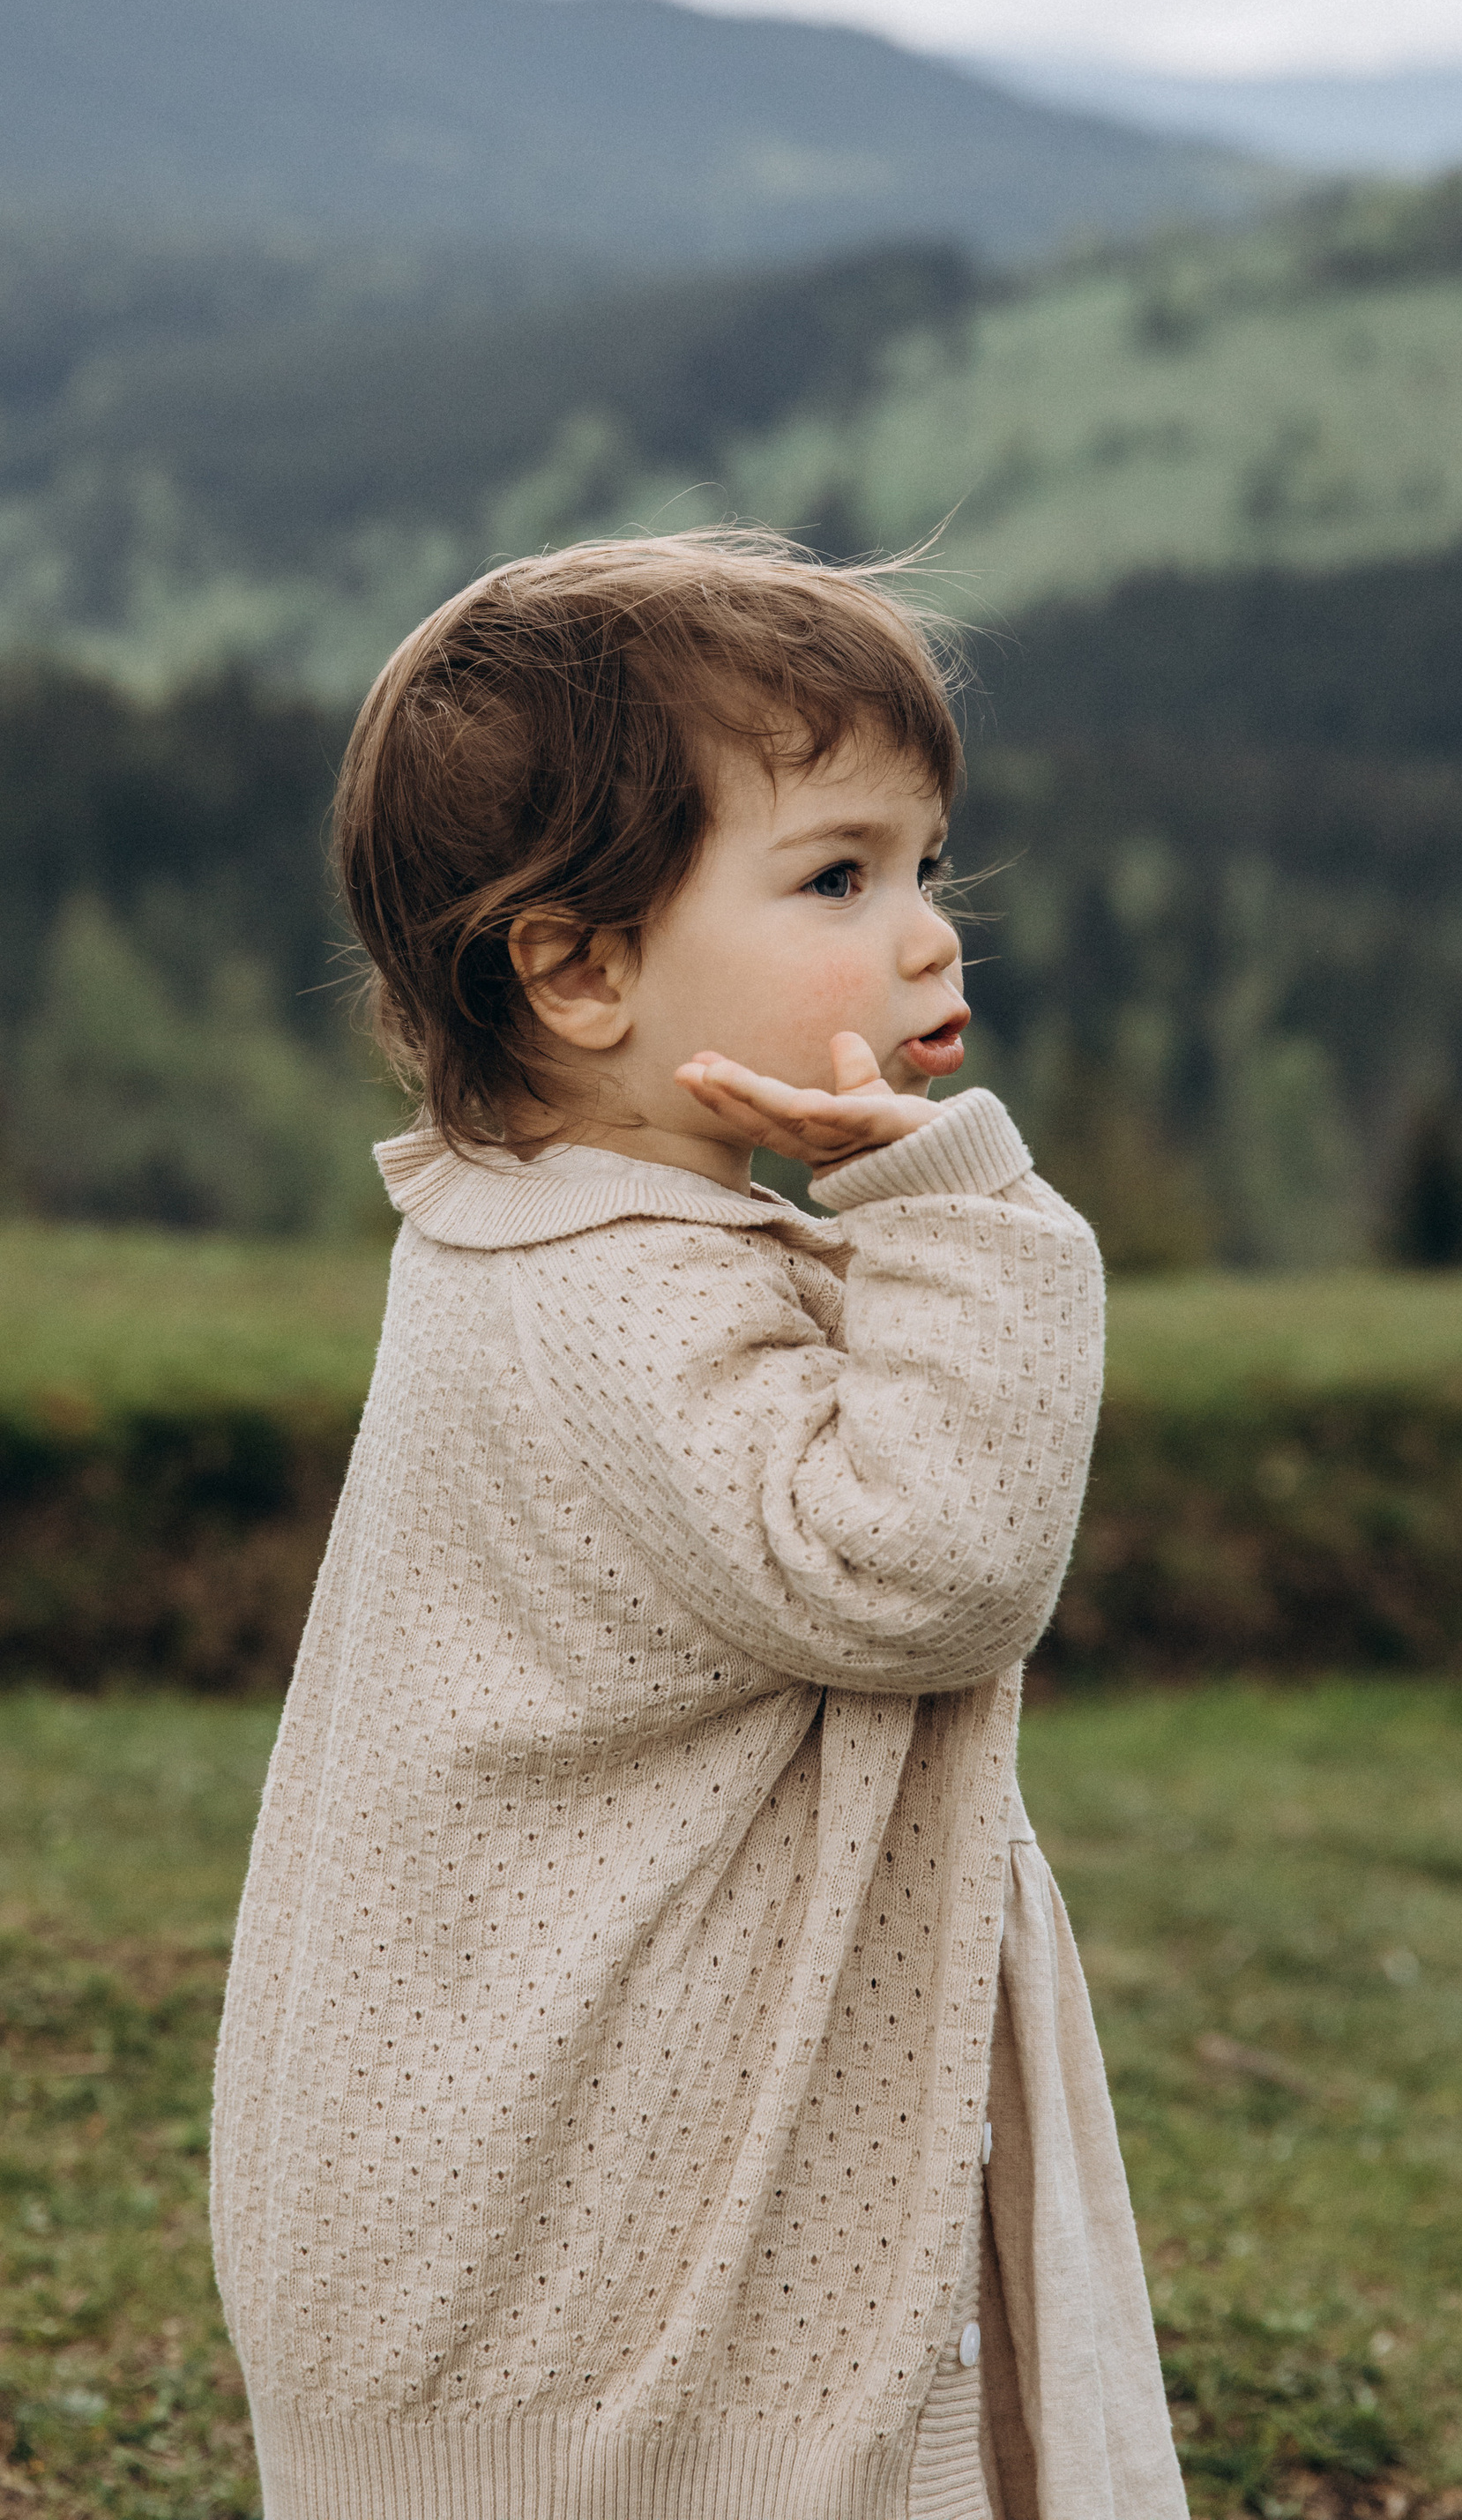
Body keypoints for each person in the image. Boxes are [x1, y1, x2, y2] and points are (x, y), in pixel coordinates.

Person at [210, 532, 1188, 2520]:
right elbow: (918, 1570)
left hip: (569, 2139)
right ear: (580, 969)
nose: (926, 935)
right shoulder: (624, 1293)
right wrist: (961, 1212)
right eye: (835, 877)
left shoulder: (526, 1233)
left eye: (927, 867)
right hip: (624, 2213)